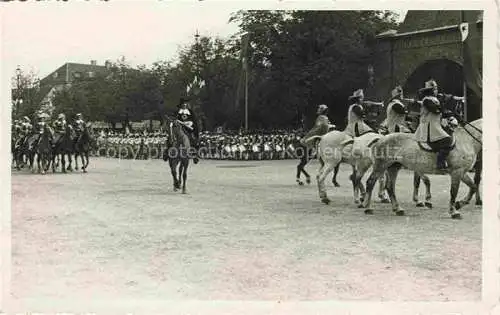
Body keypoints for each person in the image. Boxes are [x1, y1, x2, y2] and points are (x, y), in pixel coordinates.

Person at [414, 79, 453, 170]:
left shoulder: (434, 99)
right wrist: (446, 109)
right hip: (429, 127)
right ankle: (440, 162)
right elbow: (436, 110)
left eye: (436, 88)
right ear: (431, 90)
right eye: (435, 89)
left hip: (435, 125)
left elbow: (440, 110)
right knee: (447, 140)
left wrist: (450, 113)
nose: (437, 91)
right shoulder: (427, 100)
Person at [176, 98, 200, 164]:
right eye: (183, 104)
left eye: (185, 104)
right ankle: (166, 152)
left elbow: (194, 120)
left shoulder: (190, 112)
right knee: (171, 136)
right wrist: (179, 122)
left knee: (193, 138)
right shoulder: (177, 111)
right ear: (181, 105)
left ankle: (195, 155)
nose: (184, 105)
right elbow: (175, 119)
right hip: (179, 127)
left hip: (188, 128)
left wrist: (189, 123)